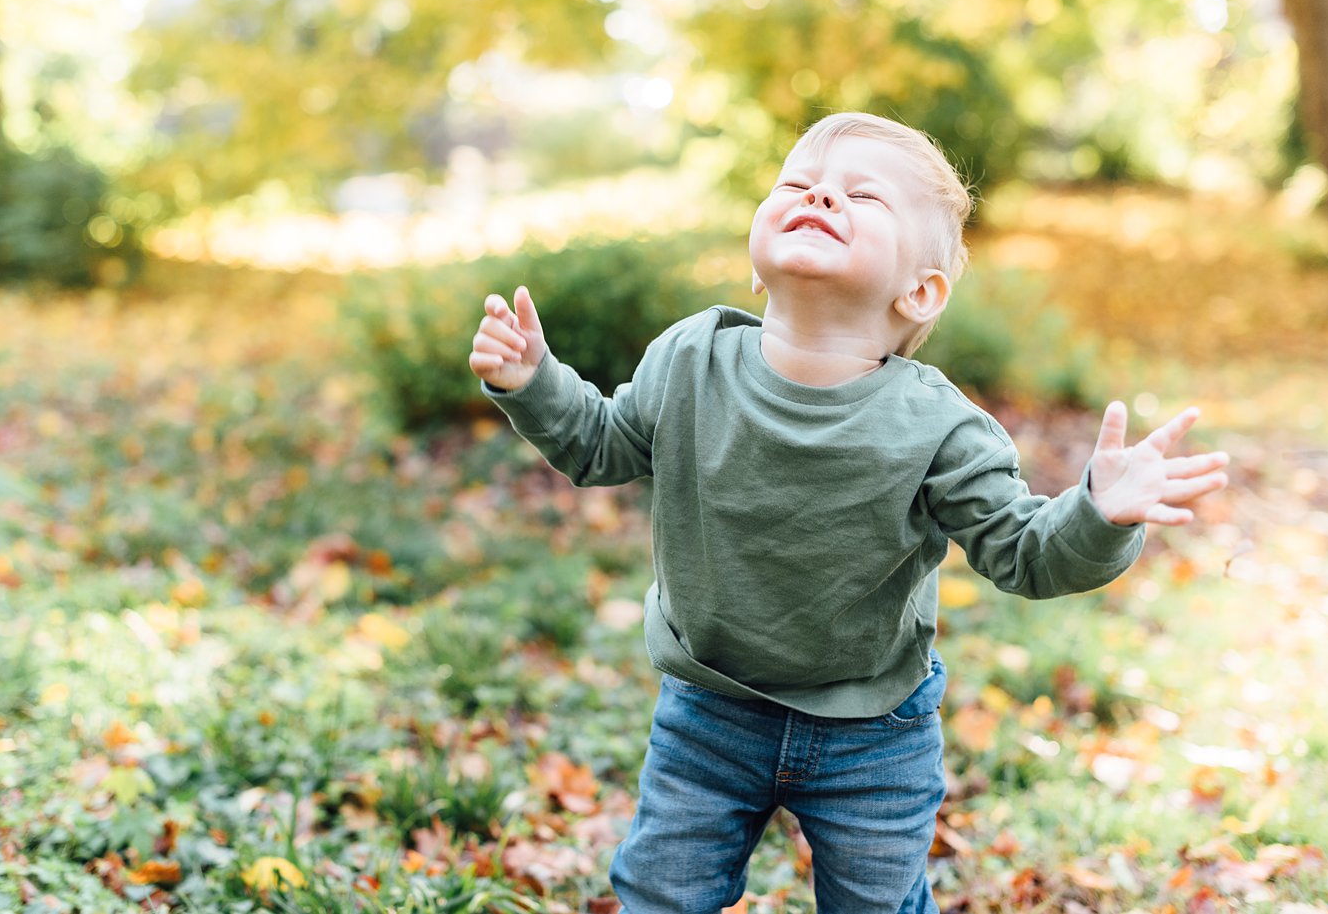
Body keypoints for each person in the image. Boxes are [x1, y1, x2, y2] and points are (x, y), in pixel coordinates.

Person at [467, 111, 1229, 913]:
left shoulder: (939, 426)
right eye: (797, 184)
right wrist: (534, 382)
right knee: (661, 889)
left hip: (873, 729)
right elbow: (602, 444)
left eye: (861, 196)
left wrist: (1098, 513)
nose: (820, 195)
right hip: (709, 709)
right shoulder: (691, 359)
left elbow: (1024, 551)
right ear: (757, 259)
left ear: (921, 290)